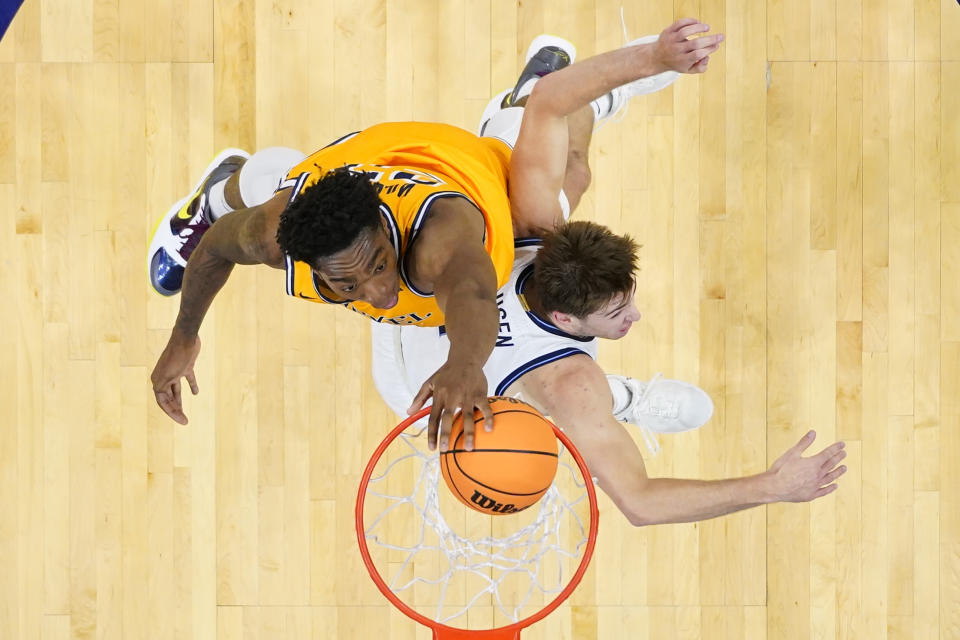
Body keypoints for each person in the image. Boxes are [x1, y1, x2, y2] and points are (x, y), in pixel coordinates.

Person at [146, 18, 720, 447]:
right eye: (346, 286)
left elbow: (472, 297)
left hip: (463, 167)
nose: (378, 296)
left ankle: (546, 92)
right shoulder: (276, 239)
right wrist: (183, 336)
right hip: (349, 163)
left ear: (386, 229)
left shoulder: (445, 247)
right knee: (261, 189)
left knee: (562, 174)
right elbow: (220, 247)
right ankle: (216, 186)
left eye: (375, 268)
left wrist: (466, 366)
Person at [373, 29, 848, 524]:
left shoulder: (532, 226)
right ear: (563, 317)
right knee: (583, 398)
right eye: (618, 312)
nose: (635, 316)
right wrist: (774, 486)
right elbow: (640, 502)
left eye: (627, 301)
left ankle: (568, 103)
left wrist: (656, 57)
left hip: (425, 361)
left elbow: (552, 101)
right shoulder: (569, 381)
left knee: (560, 161)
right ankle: (618, 401)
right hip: (410, 380)